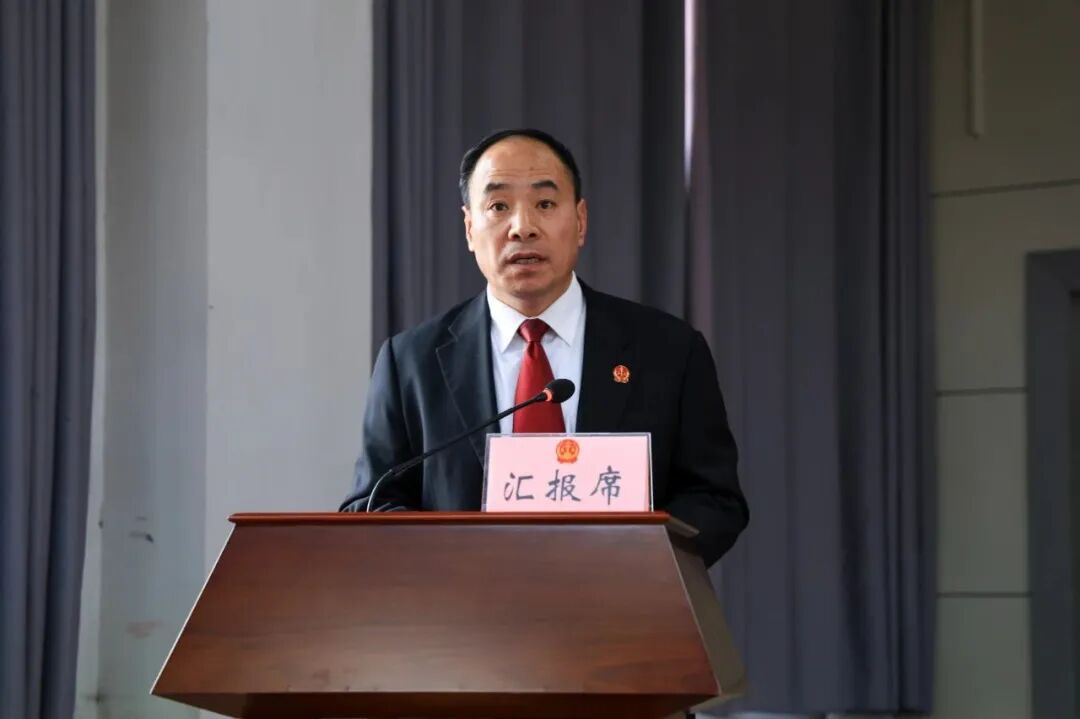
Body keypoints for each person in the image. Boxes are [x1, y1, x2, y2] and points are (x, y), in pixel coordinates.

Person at [343, 128, 748, 566]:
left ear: (580, 222)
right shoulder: (410, 362)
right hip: (464, 605)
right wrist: (459, 567)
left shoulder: (668, 350)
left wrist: (634, 563)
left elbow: (714, 499)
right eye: (498, 206)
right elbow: (372, 503)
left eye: (545, 204)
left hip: (623, 601)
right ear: (469, 228)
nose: (523, 227)